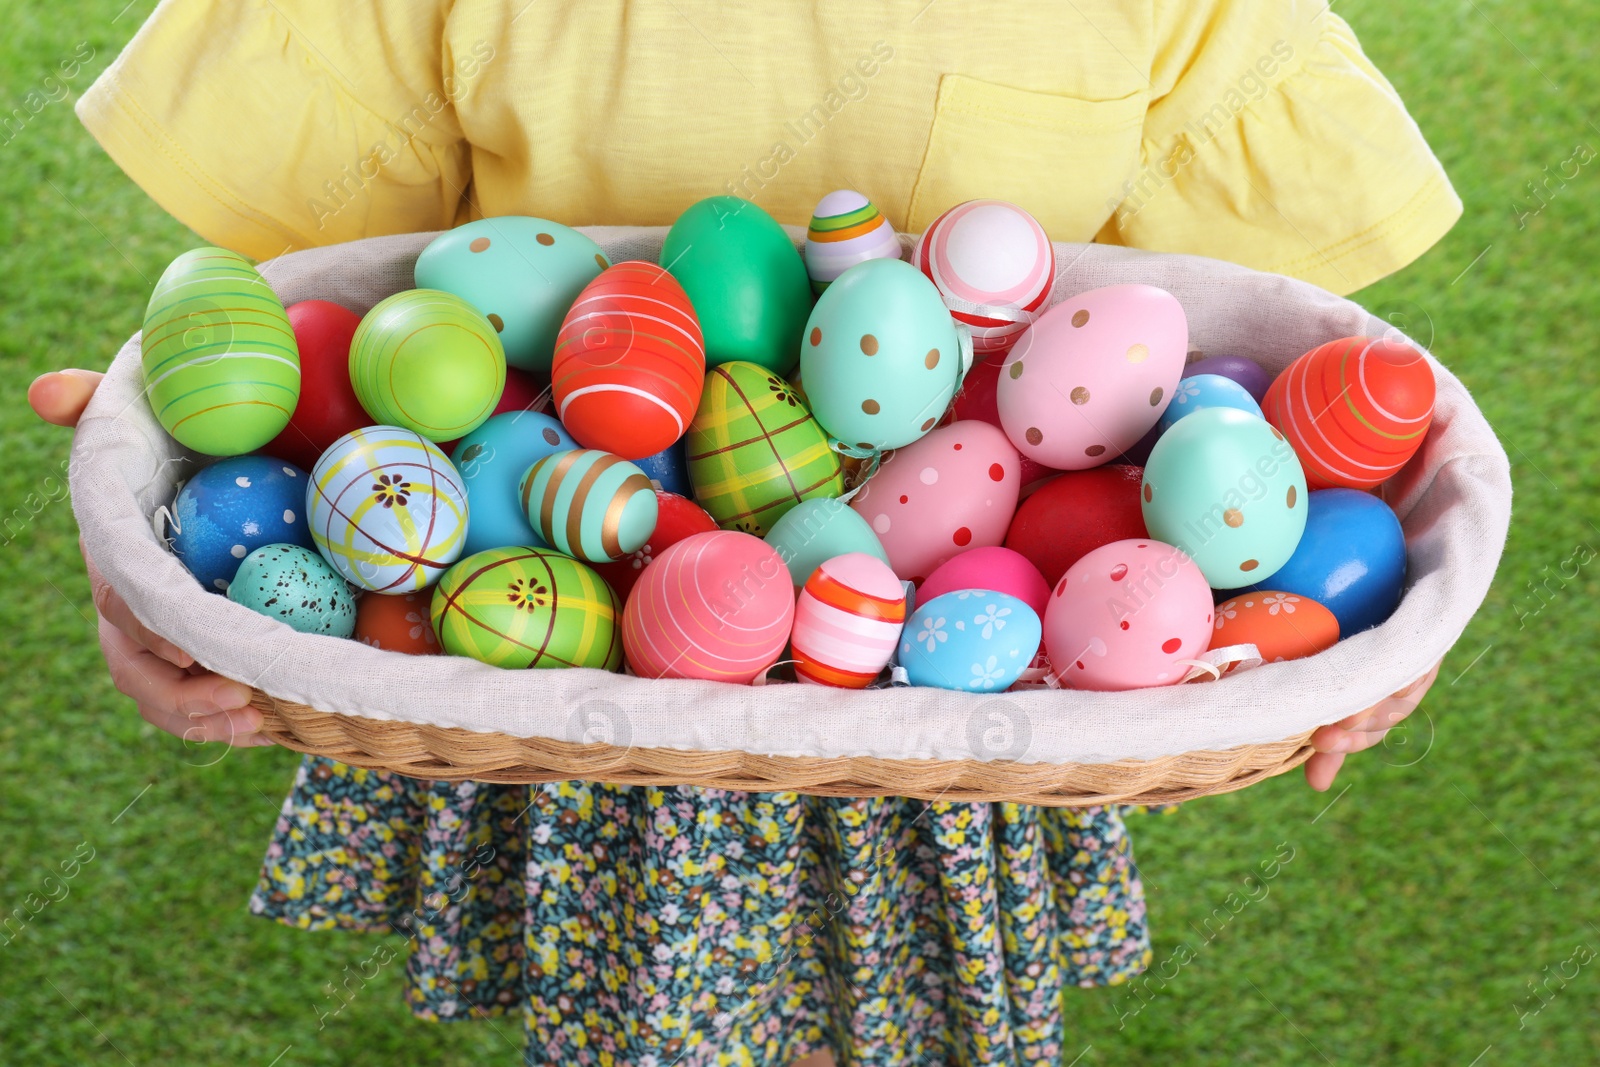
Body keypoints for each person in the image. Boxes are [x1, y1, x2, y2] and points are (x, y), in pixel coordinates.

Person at [31, 1, 1455, 1063]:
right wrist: (162, 498)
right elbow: (293, 340)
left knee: (899, 1013)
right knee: (623, 1009)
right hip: (553, 661)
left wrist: (1362, 556)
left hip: (966, 688)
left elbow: (1284, 358)